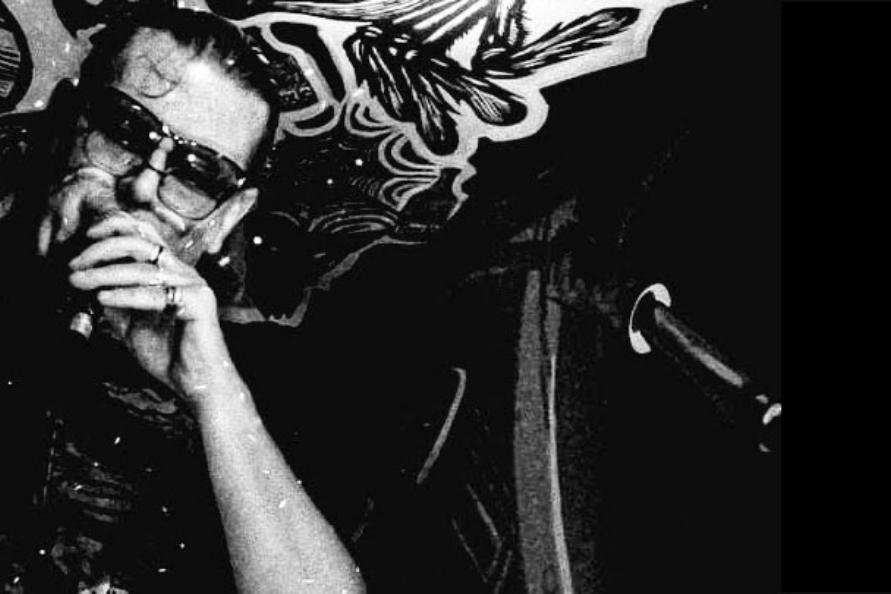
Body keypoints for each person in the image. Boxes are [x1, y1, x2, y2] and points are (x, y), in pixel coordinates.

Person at [0, 7, 457, 592]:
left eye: (199, 175)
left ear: (225, 219)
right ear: (67, 120)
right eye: (124, 131)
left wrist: (214, 394)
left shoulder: (268, 388)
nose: (144, 186)